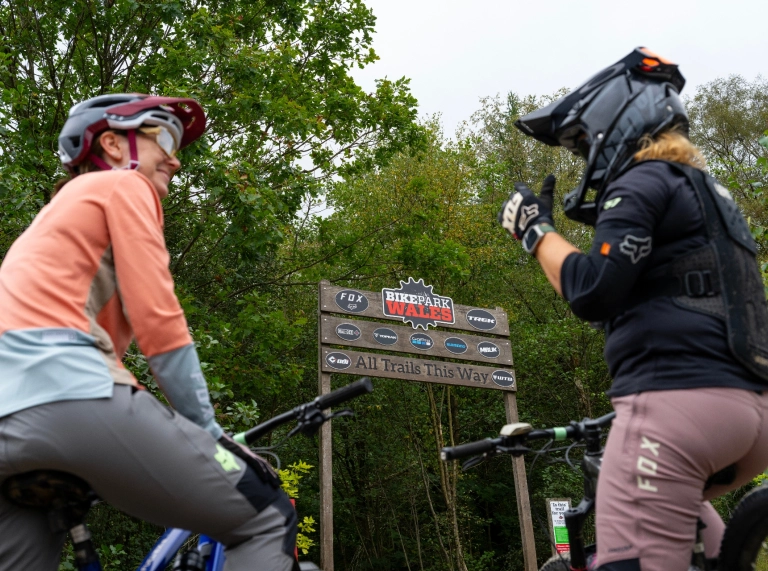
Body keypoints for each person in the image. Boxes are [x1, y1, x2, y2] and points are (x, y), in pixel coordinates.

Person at [0, 94, 297, 570]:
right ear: (114, 145)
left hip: (6, 422)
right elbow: (159, 319)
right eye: (165, 138)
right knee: (265, 515)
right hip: (70, 397)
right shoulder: (122, 186)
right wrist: (209, 433)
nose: (176, 158)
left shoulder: (53, 220)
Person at [498, 48, 768, 571]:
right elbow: (626, 303)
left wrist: (533, 230)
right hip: (749, 413)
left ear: (613, 122)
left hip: (676, 410)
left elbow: (594, 290)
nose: (583, 157)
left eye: (581, 144)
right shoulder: (711, 198)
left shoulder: (642, 181)